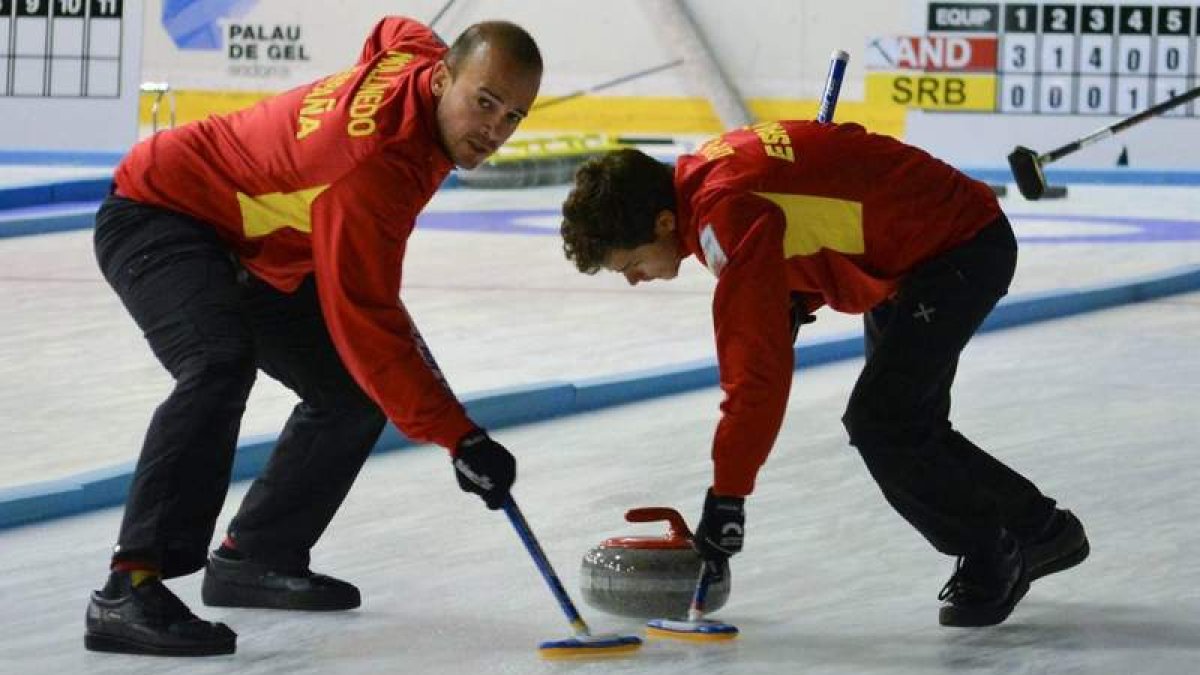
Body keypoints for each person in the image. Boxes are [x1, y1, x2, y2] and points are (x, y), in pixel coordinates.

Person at [84, 17, 542, 656]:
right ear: (442, 79)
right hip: (162, 209)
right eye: (484, 103)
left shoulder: (418, 57)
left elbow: (392, 29)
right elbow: (370, 323)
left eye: (513, 115)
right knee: (217, 361)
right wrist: (459, 437)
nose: (493, 130)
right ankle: (127, 585)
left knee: (349, 393)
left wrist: (338, 112)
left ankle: (256, 555)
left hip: (255, 245)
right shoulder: (370, 175)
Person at [559, 120, 1089, 628]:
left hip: (957, 247)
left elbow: (755, 376)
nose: (633, 280)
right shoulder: (709, 172)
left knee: (883, 422)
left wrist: (727, 495)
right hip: (913, 253)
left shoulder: (724, 214)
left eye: (629, 263)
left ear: (662, 222)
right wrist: (797, 292)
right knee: (906, 422)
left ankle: (992, 551)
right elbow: (822, 204)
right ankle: (1040, 531)